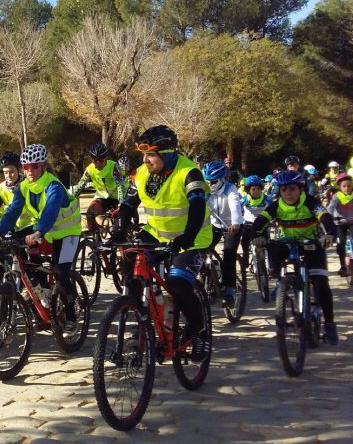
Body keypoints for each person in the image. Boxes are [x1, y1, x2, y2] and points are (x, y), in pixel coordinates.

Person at [111, 125, 213, 360]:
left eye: (151, 155)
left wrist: (186, 238)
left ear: (167, 154)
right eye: (143, 155)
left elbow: (197, 208)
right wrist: (118, 232)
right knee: (130, 262)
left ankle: (199, 332)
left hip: (193, 238)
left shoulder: (189, 173)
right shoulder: (142, 173)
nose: (145, 160)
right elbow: (127, 205)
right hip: (156, 233)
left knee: (177, 284)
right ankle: (141, 320)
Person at [251, 170, 340, 344]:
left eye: (292, 189)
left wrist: (329, 234)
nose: (288, 194)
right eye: (284, 190)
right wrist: (256, 236)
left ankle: (329, 324)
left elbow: (326, 217)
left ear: (301, 189)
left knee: (321, 284)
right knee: (273, 248)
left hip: (312, 245)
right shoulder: (276, 206)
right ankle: (280, 283)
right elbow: (260, 222)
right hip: (288, 243)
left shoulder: (311, 203)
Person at [0, 143, 81, 311]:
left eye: (34, 167)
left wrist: (38, 231)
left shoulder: (53, 186)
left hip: (67, 233)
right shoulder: (24, 186)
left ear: (43, 166)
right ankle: (41, 290)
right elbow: (12, 212)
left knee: (60, 272)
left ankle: (71, 314)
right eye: (26, 167)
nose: (30, 171)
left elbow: (50, 211)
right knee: (22, 256)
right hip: (46, 231)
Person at [204, 161, 243, 307]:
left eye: (213, 181)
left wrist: (236, 223)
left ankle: (230, 291)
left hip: (232, 226)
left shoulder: (230, 189)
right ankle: (212, 274)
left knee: (229, 253)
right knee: (199, 249)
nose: (210, 184)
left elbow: (235, 207)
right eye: (207, 181)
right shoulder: (205, 191)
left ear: (222, 179)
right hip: (214, 226)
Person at [71, 142, 124, 234]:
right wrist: (69, 200)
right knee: (89, 214)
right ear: (91, 160)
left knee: (118, 225)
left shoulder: (113, 166)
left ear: (106, 159)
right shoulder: (90, 169)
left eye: (101, 160)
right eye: (95, 160)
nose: (98, 163)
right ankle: (96, 240)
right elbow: (80, 186)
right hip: (101, 197)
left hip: (116, 197)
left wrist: (121, 205)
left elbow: (120, 186)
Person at [240, 174, 272, 262]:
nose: (256, 191)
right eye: (253, 189)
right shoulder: (244, 200)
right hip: (248, 223)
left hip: (263, 224)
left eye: (258, 189)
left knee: (268, 242)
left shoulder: (267, 199)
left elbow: (274, 209)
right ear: (248, 190)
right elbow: (237, 210)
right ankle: (245, 254)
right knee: (245, 240)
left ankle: (270, 262)